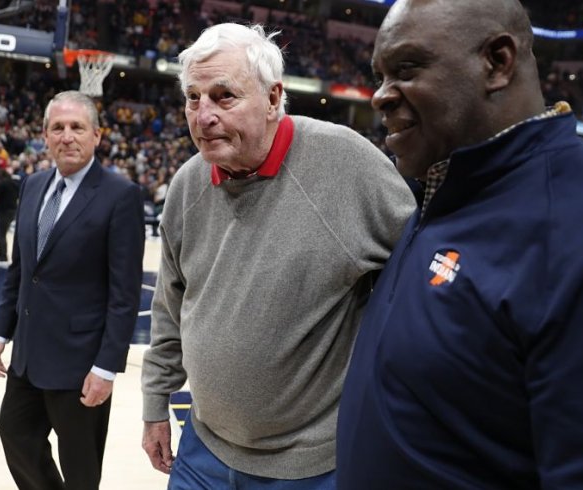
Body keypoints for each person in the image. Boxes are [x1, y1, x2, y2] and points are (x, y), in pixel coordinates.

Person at [336, 1, 583, 488]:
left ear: (497, 63)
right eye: (379, 75)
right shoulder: (449, 187)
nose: (379, 96)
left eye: (406, 68)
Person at [140, 23, 415, 488]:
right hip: (203, 447)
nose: (202, 115)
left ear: (272, 99)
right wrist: (154, 404)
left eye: (223, 96)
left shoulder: (346, 164)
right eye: (193, 97)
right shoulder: (188, 183)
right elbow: (170, 304)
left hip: (310, 466)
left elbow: (423, 281)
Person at [0, 91, 145, 490]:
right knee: (15, 436)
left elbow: (124, 294)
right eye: (58, 127)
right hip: (28, 354)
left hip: (81, 363)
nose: (67, 136)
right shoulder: (33, 185)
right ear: (45, 136)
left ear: (97, 136)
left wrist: (106, 368)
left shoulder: (120, 195)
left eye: (77, 127)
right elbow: (21, 269)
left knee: (80, 468)